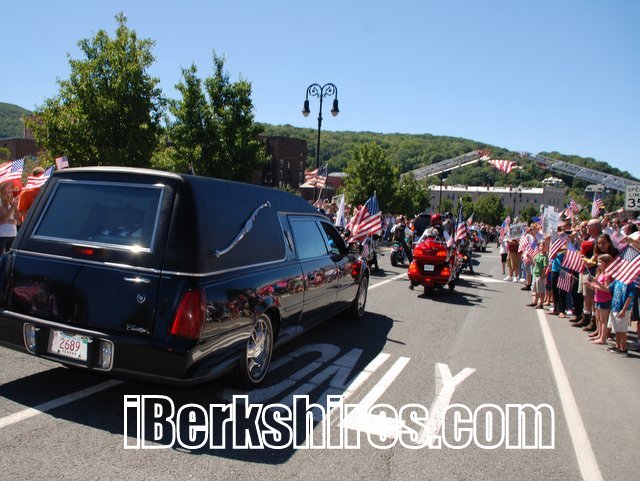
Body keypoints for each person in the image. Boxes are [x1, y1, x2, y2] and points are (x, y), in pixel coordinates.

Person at [586, 254, 613, 345]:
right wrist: (590, 285)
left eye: (600, 262)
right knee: (598, 318)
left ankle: (603, 338)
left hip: (604, 299)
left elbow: (607, 289)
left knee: (603, 320)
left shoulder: (607, 275)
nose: (598, 264)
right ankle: (599, 334)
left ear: (606, 263)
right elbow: (597, 287)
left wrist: (596, 283)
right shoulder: (600, 273)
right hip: (598, 298)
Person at [528, 241, 549, 308]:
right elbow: (534, 262)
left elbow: (545, 267)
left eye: (543, 246)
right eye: (541, 246)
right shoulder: (538, 255)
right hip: (535, 274)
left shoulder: (545, 257)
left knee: (541, 290)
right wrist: (529, 258)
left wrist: (542, 274)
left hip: (540, 275)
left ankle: (541, 303)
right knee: (536, 290)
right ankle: (535, 302)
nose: (542, 248)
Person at [0, 181, 19, 252]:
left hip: (13, 234)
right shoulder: (0, 201)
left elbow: (18, 221)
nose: (11, 189)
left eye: (12, 187)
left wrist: (15, 206)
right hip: (2, 235)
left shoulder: (11, 201)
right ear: (2, 188)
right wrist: (12, 207)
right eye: (9, 187)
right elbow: (3, 220)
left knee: (10, 257)